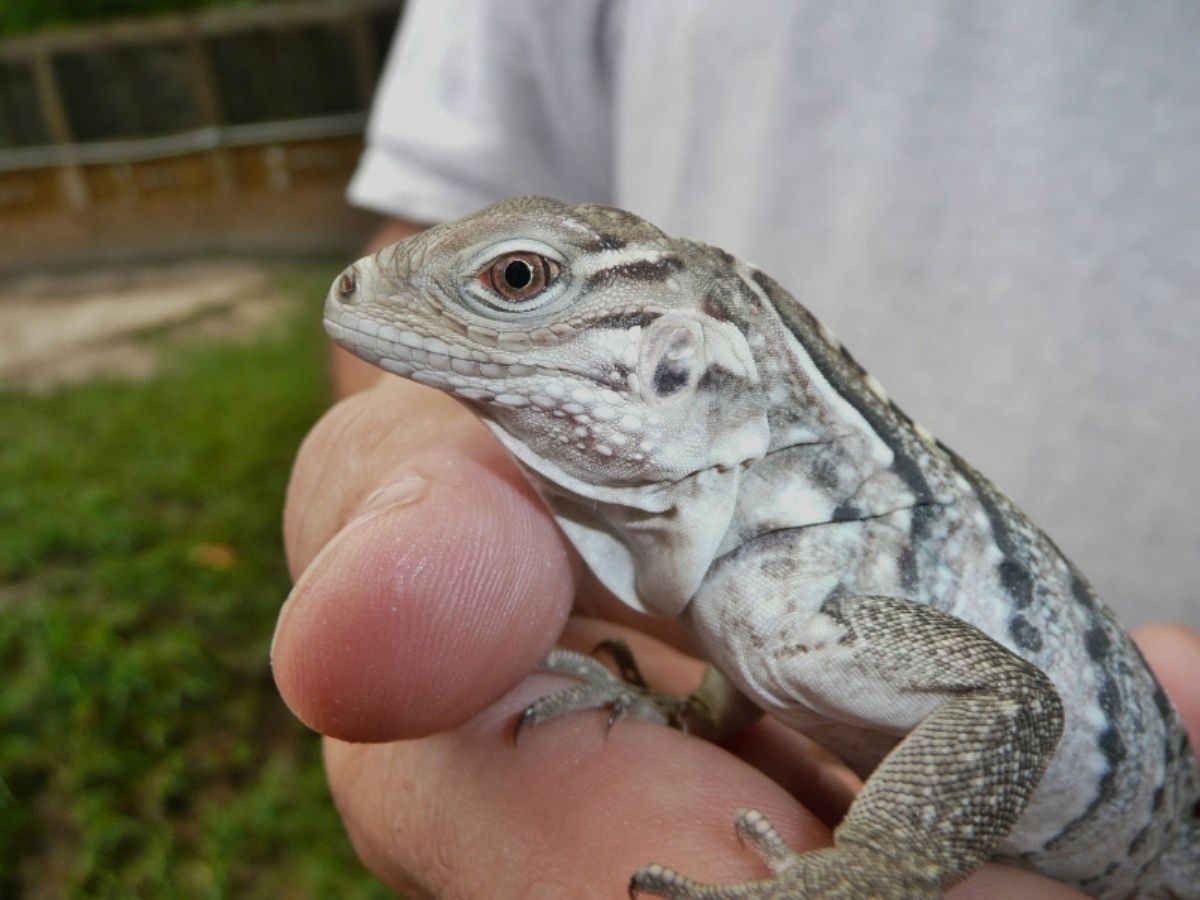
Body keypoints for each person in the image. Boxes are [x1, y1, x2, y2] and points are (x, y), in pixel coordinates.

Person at [272, 2, 1200, 896]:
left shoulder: (808, 562)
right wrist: (699, 715)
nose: (360, 288)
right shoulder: (753, 558)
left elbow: (1011, 705)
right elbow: (761, 641)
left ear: (677, 359)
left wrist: (875, 870)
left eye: (520, 278)